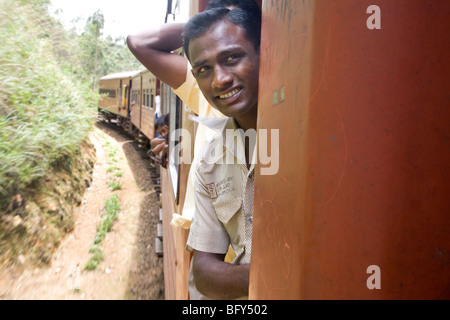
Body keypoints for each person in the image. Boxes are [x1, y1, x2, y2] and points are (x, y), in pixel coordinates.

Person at [182, 7, 261, 299]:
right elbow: (203, 271)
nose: (219, 80)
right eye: (203, 69)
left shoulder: (310, 138)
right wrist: (273, 274)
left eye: (232, 58)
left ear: (265, 54)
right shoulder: (208, 163)